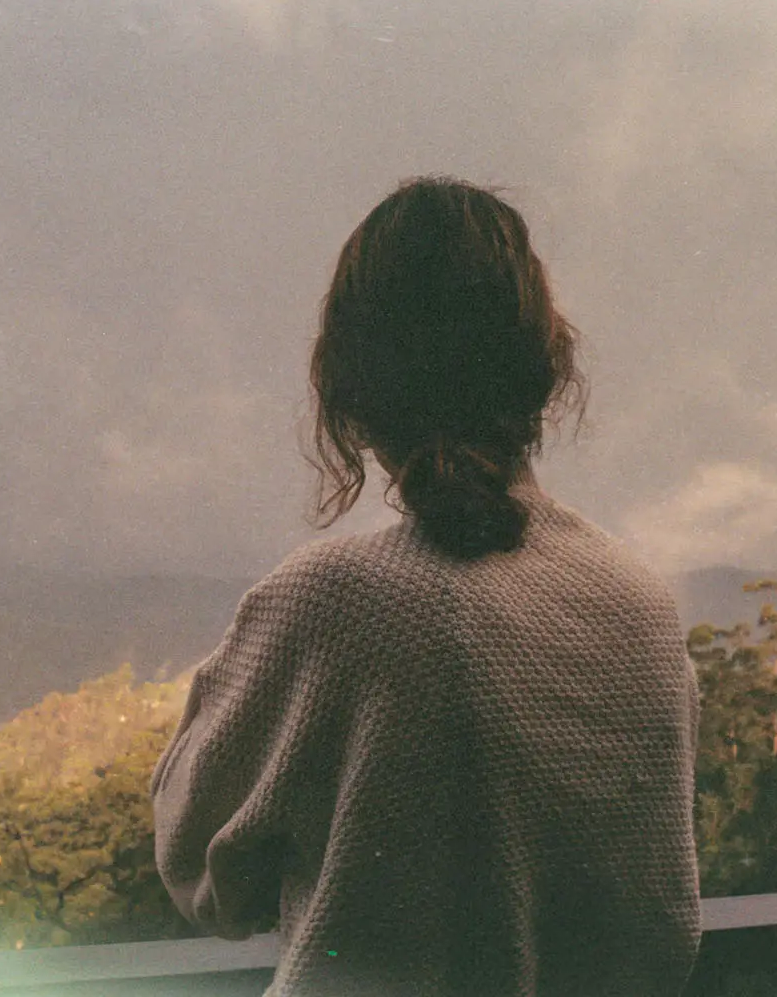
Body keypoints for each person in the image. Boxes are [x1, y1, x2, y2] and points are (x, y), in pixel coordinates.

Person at [151, 176, 701, 996]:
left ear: (354, 388)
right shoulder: (643, 608)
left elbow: (202, 871)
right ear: (542, 372)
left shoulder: (333, 602)